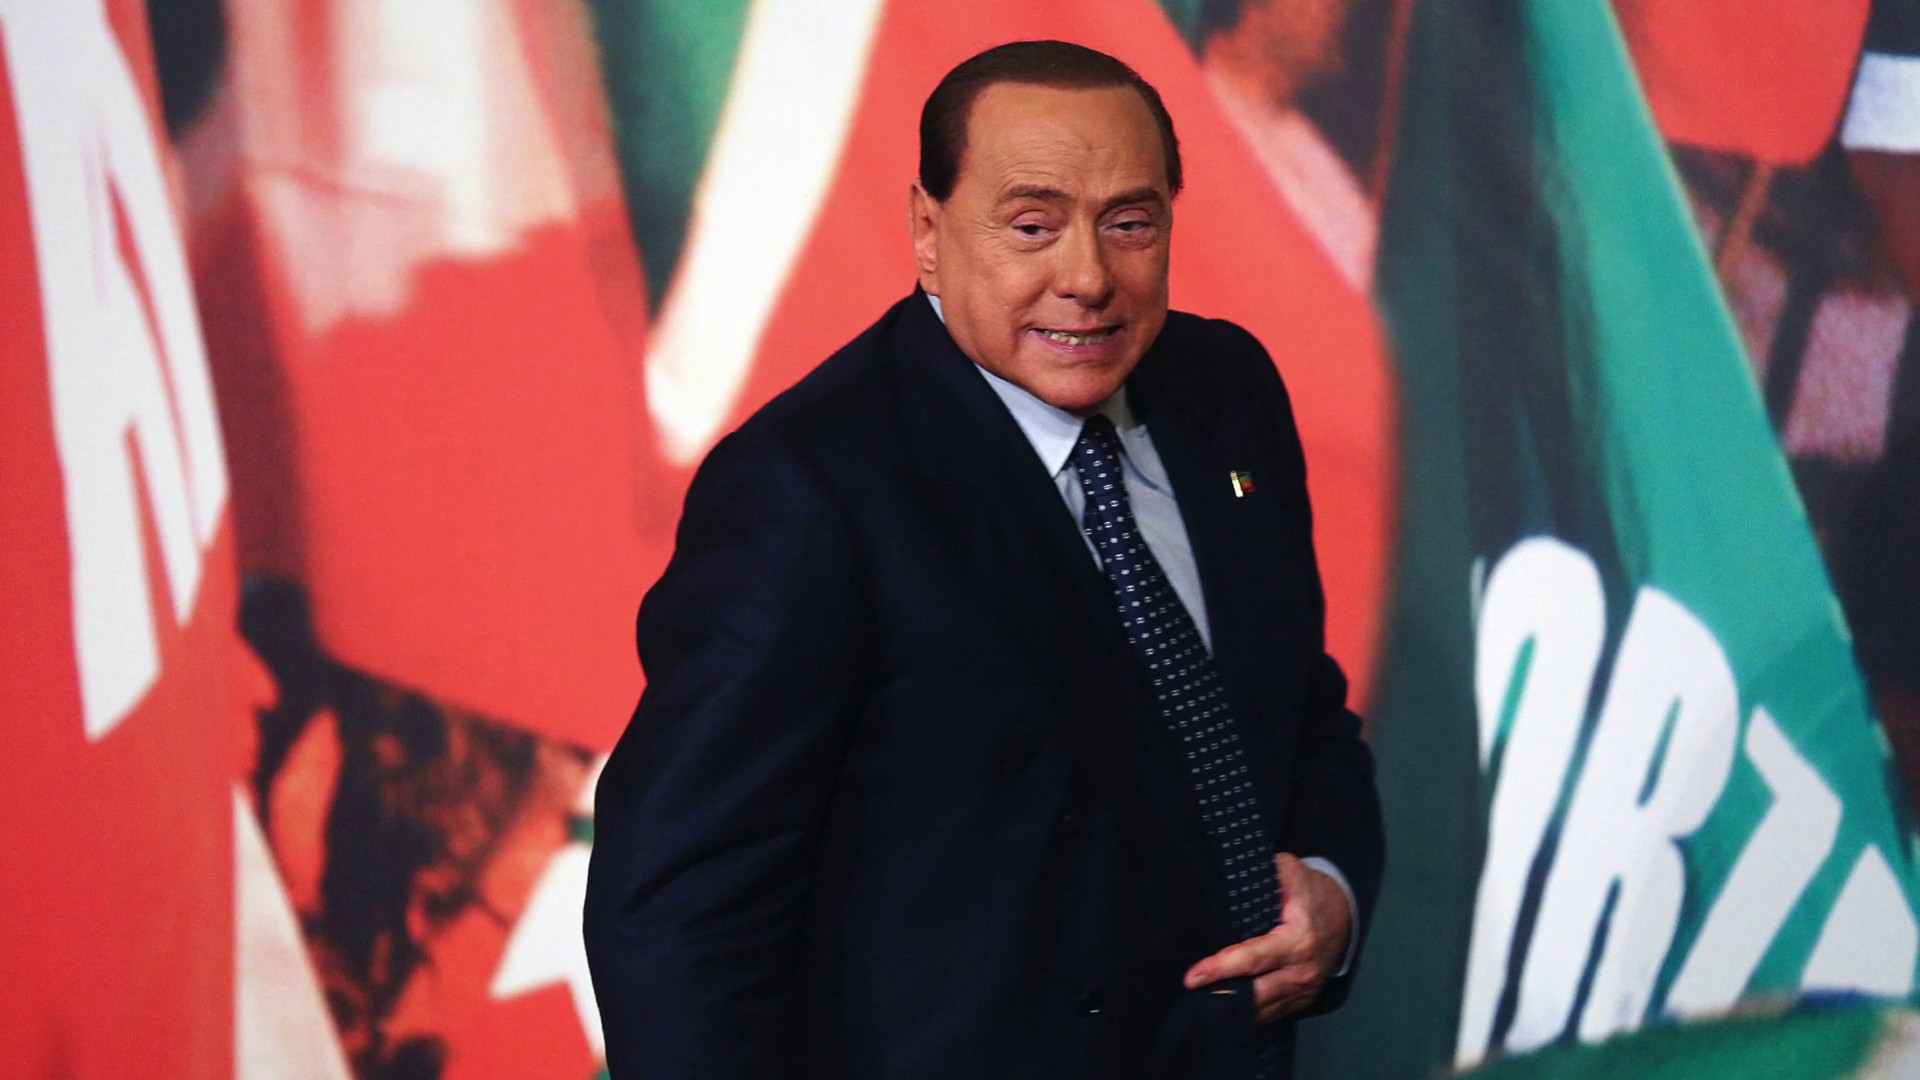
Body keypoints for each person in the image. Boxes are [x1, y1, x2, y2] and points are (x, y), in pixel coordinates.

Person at [584, 40, 1384, 1080]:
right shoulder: (811, 488)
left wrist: (1332, 891)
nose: (1087, 278)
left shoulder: (1226, 390)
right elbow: (678, 909)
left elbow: (1300, 714)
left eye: (1130, 224)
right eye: (1033, 226)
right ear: (928, 230)